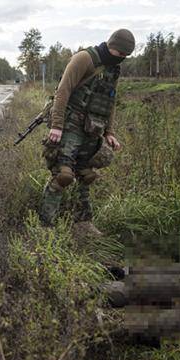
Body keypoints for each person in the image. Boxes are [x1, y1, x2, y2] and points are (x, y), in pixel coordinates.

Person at [39, 29, 135, 235]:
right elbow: (63, 91)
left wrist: (109, 132)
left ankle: (83, 224)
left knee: (86, 175)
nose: (122, 59)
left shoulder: (113, 68)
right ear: (112, 47)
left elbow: (110, 100)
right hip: (70, 125)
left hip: (92, 129)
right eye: (121, 54)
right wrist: (57, 125)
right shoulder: (84, 58)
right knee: (63, 176)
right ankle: (46, 228)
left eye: (126, 57)